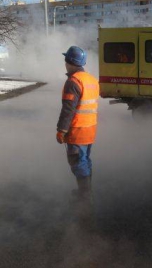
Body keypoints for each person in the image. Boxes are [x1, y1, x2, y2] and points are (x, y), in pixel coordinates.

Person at [56, 46, 99, 213]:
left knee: (77, 162)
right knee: (85, 160)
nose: (65, 63)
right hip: (90, 130)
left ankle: (85, 197)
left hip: (77, 131)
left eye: (66, 60)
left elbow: (68, 109)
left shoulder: (73, 82)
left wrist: (61, 130)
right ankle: (86, 191)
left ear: (70, 62)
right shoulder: (91, 80)